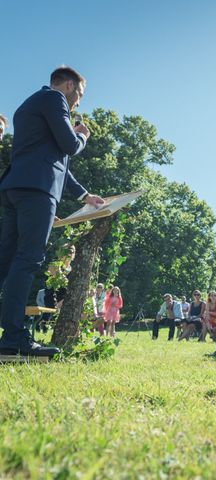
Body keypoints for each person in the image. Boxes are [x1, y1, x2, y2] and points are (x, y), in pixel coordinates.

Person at [0, 66, 104, 357]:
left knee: (5, 262)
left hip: (16, 187)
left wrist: (84, 195)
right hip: (37, 190)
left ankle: (9, 333)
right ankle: (13, 337)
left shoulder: (29, 105)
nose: (79, 102)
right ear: (69, 85)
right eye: (80, 94)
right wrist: (82, 135)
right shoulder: (55, 100)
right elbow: (69, 147)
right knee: (28, 259)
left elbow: (54, 159)